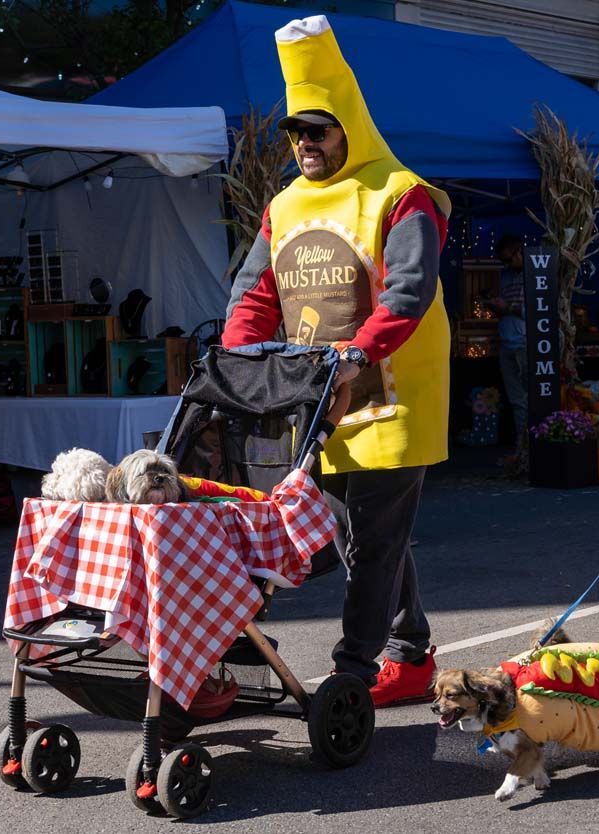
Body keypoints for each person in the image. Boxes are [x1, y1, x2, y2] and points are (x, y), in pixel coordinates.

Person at [223, 15, 449, 707]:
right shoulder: (284, 203)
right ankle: (411, 654)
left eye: (316, 129)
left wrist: (360, 353)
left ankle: (353, 669)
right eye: (294, 132)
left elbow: (409, 292)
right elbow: (254, 293)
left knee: (375, 539)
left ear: (347, 124)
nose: (303, 143)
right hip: (316, 399)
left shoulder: (400, 191)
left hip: (390, 394)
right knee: (363, 535)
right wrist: (237, 357)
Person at [493, 234, 527, 468]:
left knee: (526, 400)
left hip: (524, 343)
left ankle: (527, 449)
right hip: (506, 343)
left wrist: (509, 308)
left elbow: (535, 311)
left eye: (509, 259)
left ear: (519, 252)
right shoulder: (504, 278)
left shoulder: (534, 276)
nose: (507, 265)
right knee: (517, 401)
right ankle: (521, 449)